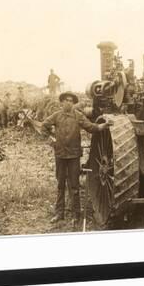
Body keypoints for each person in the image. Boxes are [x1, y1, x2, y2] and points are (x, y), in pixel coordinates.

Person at [42, 91, 112, 228]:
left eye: (70, 101)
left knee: (74, 186)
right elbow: (44, 126)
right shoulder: (56, 116)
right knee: (60, 184)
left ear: (73, 103)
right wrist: (50, 139)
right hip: (60, 155)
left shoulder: (78, 116)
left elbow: (90, 127)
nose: (68, 102)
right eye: (65, 100)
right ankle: (59, 213)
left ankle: (76, 215)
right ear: (61, 102)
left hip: (74, 156)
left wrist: (103, 126)